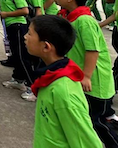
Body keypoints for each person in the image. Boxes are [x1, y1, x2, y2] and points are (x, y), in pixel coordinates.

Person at [56, 0, 118, 144]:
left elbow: (92, 50)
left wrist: (87, 76)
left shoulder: (84, 21)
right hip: (83, 78)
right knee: (90, 121)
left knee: (97, 122)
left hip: (95, 81)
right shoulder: (70, 17)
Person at [24, 15, 103, 148]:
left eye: (30, 34)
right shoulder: (49, 77)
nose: (25, 37)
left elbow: (87, 143)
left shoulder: (64, 92)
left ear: (46, 47)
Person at [0, 0, 36, 101]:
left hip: (18, 26)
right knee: (16, 55)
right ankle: (18, 79)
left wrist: (6, 14)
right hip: (11, 27)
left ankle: (33, 87)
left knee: (22, 56)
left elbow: (24, 10)